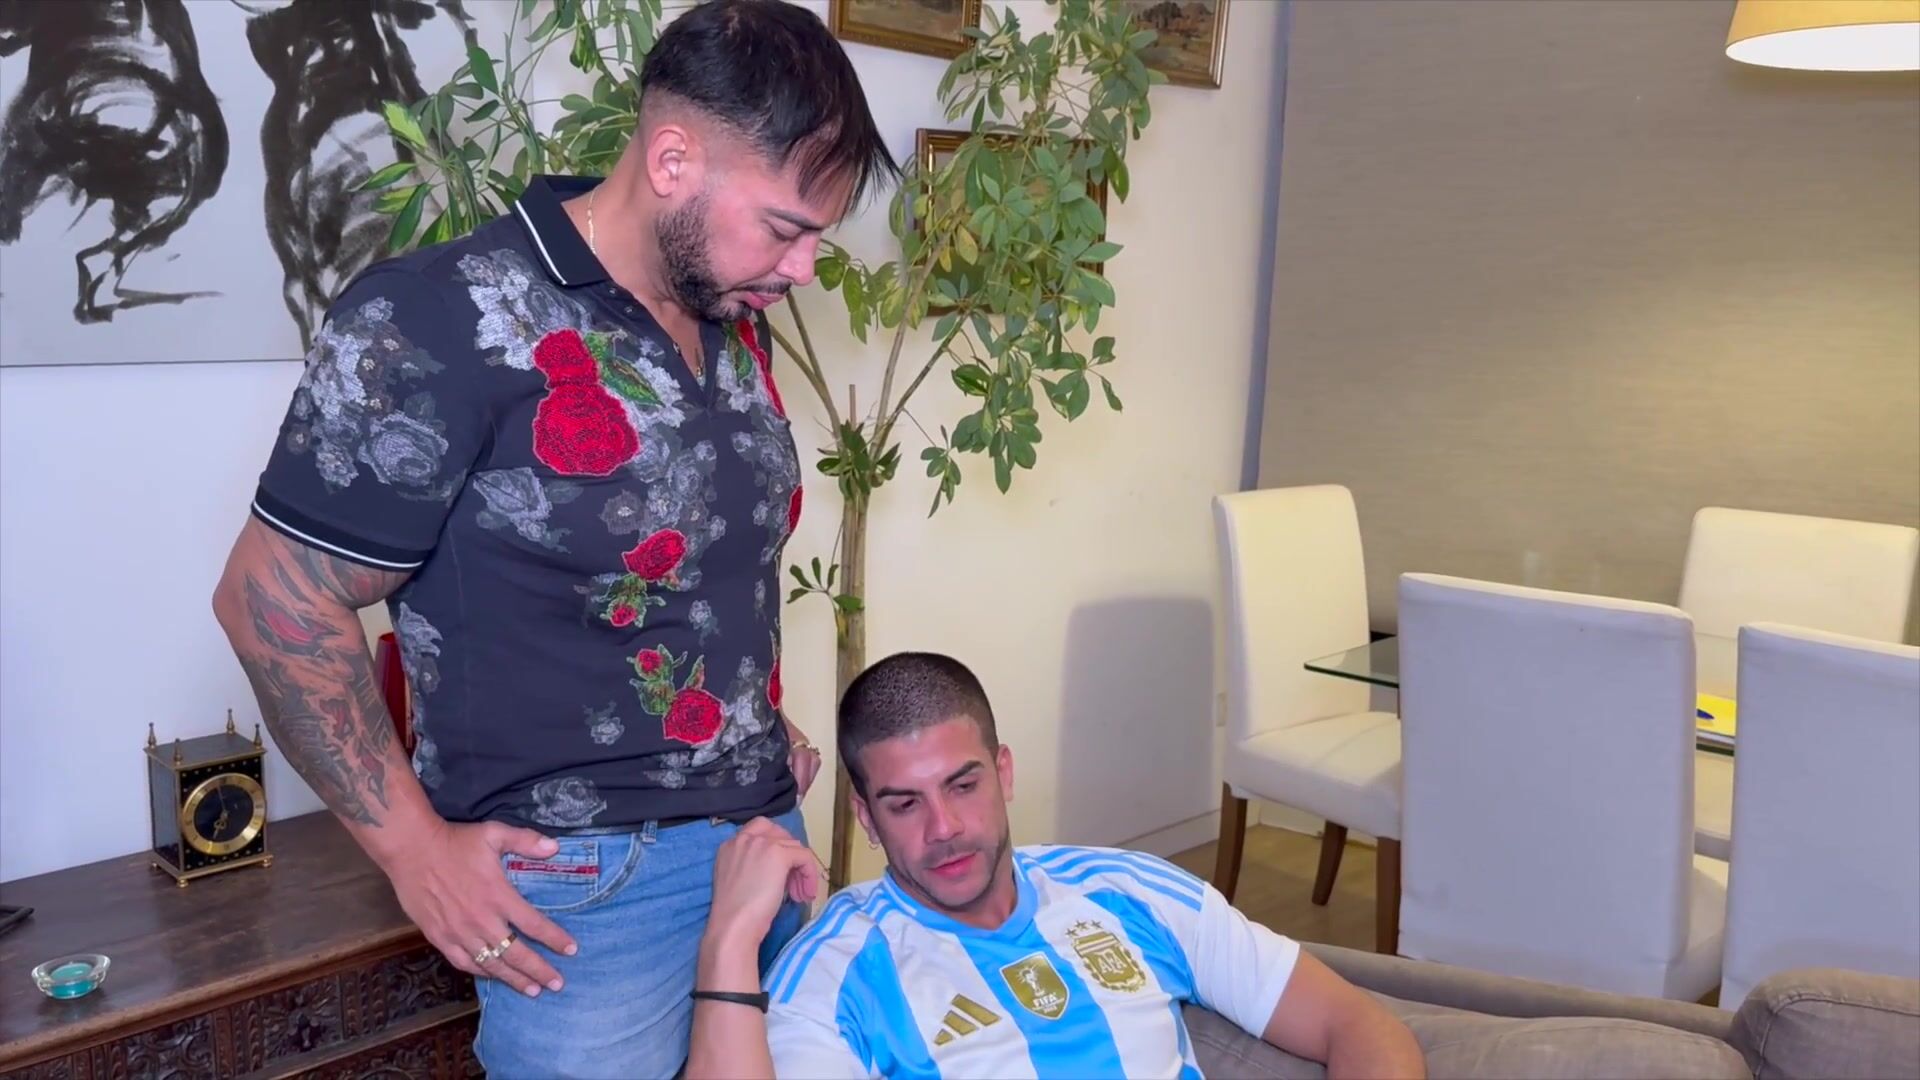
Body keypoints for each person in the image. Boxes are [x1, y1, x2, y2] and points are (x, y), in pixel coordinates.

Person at [209, 2, 897, 1075]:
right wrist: (414, 853)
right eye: (785, 228)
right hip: (586, 891)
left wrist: (748, 713)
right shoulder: (436, 317)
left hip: (765, 838)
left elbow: (676, 568)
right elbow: (271, 599)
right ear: (673, 160)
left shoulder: (727, 316)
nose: (805, 268)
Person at [683, 652, 1427, 1079]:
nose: (945, 829)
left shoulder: (1126, 890)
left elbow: (1356, 1024)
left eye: (963, 785)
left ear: (1004, 772)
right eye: (904, 804)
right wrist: (729, 941)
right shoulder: (834, 973)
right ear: (866, 818)